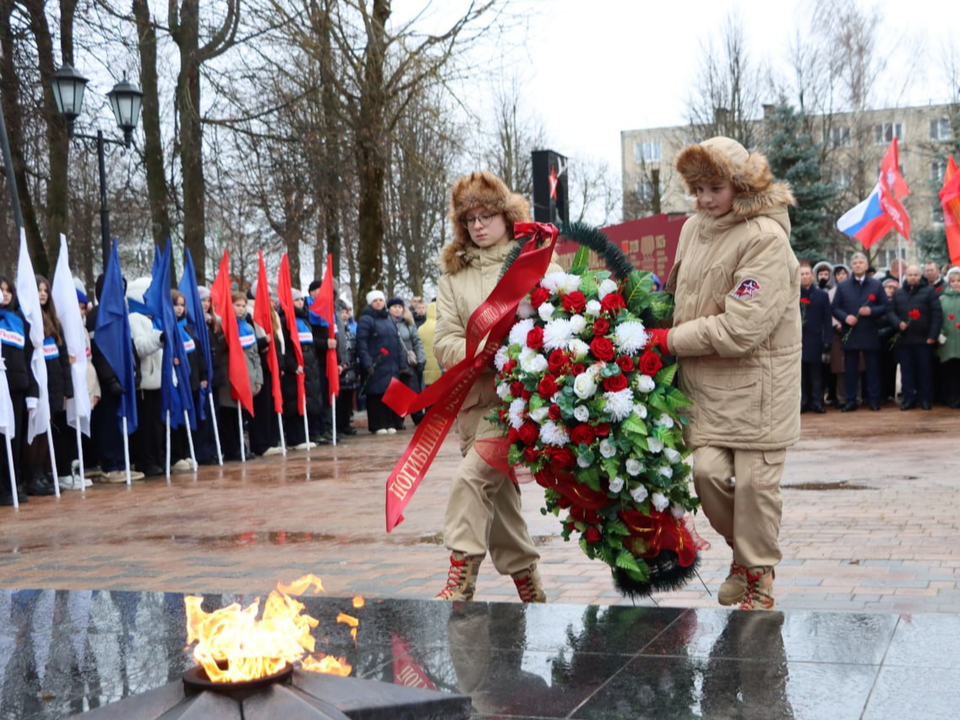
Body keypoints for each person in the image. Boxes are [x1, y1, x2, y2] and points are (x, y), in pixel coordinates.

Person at [650, 137, 800, 611]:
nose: (705, 199)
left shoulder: (765, 238)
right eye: (697, 190)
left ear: (742, 184)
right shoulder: (692, 229)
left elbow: (741, 328)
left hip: (759, 387)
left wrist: (669, 340)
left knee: (755, 488)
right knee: (707, 474)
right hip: (706, 387)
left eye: (715, 188)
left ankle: (759, 579)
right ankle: (744, 555)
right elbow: (677, 297)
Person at [433, 170, 560, 604]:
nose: (478, 225)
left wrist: (516, 352)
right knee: (501, 501)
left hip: (519, 404)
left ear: (507, 216)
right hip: (473, 405)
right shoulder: (452, 277)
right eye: (469, 219)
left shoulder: (535, 261)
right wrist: (481, 353)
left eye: (486, 215)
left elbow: (563, 322)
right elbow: (444, 341)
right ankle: (529, 586)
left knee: (470, 481)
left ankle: (460, 580)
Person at [20, 276, 73, 495]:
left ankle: (42, 472)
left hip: (54, 384)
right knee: (35, 430)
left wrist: (67, 389)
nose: (42, 294)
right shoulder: (27, 321)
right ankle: (32, 475)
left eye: (45, 290)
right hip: (36, 383)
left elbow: (63, 358)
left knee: (47, 428)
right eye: (38, 290)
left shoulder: (55, 322)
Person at [0, 276, 39, 505]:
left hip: (16, 389)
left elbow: (29, 358)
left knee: (13, 441)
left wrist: (32, 392)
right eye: (1, 289)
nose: (5, 294)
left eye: (8, 290)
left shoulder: (18, 321)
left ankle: (12, 484)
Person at [832, 253, 887, 411]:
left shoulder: (876, 285)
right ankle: (850, 400)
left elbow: (885, 306)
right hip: (850, 333)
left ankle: (873, 400)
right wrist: (845, 317)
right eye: (855, 262)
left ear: (866, 265)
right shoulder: (843, 286)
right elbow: (834, 308)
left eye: (861, 262)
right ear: (851, 266)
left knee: (872, 369)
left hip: (869, 332)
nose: (857, 265)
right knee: (850, 370)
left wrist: (871, 311)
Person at [887, 265, 941, 410]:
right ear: (905, 275)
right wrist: (898, 323)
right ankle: (909, 399)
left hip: (924, 340)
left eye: (915, 275)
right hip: (904, 340)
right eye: (910, 274)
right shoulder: (898, 293)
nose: (912, 277)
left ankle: (925, 399)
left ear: (920, 276)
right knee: (906, 371)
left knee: (925, 371)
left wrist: (932, 335)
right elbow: (890, 312)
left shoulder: (929, 292)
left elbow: (936, 315)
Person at [217, 292, 262, 461]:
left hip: (247, 377)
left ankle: (240, 447)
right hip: (229, 379)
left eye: (243, 306)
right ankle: (232, 449)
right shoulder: (222, 325)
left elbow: (255, 355)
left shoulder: (248, 328)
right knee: (229, 416)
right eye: (237, 305)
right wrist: (228, 335)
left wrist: (258, 379)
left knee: (241, 415)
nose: (241, 309)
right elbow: (218, 348)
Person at [170, 289, 208, 470]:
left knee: (189, 419)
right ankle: (176, 456)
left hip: (192, 381)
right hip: (178, 382)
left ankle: (187, 452)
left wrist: (203, 375)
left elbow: (198, 355)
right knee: (178, 419)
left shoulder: (188, 328)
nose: (179, 309)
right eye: (176, 305)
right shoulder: (168, 328)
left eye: (182, 305)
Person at [280, 289, 323, 449]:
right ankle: (295, 438)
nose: (300, 303)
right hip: (295, 369)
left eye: (301, 300)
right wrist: (292, 365)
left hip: (309, 366)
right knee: (294, 402)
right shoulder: (285, 320)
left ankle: (306, 435)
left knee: (307, 402)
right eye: (296, 300)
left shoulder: (304, 320)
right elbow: (284, 346)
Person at [355, 290, 402, 434]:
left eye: (381, 300)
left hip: (391, 363)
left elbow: (397, 342)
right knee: (376, 394)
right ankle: (378, 424)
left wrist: (401, 362)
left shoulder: (389, 319)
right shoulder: (366, 320)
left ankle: (390, 422)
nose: (378, 303)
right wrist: (367, 363)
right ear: (370, 303)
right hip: (376, 363)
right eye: (375, 301)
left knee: (390, 393)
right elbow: (362, 343)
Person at [388, 296, 426, 428]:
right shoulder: (387, 323)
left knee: (414, 390)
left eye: (400, 307)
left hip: (409, 363)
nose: (397, 309)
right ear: (389, 309)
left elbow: (417, 342)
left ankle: (418, 416)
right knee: (397, 392)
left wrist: (421, 359)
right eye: (394, 307)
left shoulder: (408, 323)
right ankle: (398, 420)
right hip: (394, 363)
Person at [799, 262, 830, 413]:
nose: (804, 277)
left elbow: (827, 320)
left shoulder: (822, 295)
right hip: (799, 341)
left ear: (812, 276)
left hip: (816, 340)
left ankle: (817, 402)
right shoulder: (794, 295)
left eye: (807, 274)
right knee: (802, 375)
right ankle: (803, 401)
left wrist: (827, 340)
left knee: (816, 375)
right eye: (802, 274)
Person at [938, 267, 960, 408]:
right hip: (947, 341)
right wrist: (939, 333)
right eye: (953, 281)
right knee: (950, 371)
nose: (956, 283)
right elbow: (937, 318)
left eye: (958, 281)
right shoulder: (942, 299)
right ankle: (951, 398)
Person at [878, 278, 901, 404]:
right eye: (888, 287)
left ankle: (890, 392)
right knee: (879, 367)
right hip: (877, 339)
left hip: (893, 339)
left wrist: (887, 330)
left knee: (891, 367)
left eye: (894, 288)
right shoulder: (878, 301)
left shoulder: (897, 303)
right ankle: (880, 393)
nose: (891, 290)